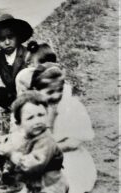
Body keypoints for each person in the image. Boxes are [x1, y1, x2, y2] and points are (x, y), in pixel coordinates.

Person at [0, 91, 68, 193]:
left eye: (41, 115)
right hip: (27, 181)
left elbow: (34, 165)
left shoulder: (46, 140)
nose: (37, 121)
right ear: (19, 123)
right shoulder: (18, 136)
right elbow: (3, 158)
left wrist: (12, 154)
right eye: (30, 118)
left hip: (50, 183)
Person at [31, 64, 97, 193]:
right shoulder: (33, 108)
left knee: (64, 183)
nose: (56, 96)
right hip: (40, 157)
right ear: (35, 90)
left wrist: (49, 149)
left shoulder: (71, 106)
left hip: (68, 158)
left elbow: (74, 142)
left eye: (59, 90)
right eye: (50, 92)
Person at [0, 14, 33, 130]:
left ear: (17, 37)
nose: (7, 42)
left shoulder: (27, 55)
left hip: (28, 97)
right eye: (2, 39)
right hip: (11, 97)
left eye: (10, 37)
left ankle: (22, 118)